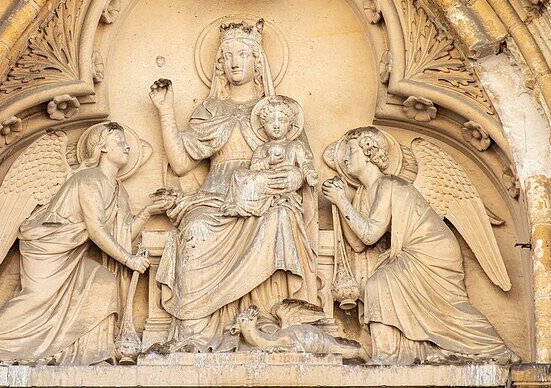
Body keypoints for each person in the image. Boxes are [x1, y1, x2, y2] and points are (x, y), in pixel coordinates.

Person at [149, 20, 318, 352]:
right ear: (218, 65)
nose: (235, 62)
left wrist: (294, 179)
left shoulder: (276, 110)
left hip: (268, 194)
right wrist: (165, 111)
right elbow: (182, 162)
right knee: (195, 229)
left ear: (258, 60)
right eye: (227, 56)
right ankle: (195, 329)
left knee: (279, 218)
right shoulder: (210, 110)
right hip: (215, 194)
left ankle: (267, 319)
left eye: (242, 54)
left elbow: (303, 162)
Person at [0, 123, 168, 365]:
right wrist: (129, 260)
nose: (127, 146)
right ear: (102, 147)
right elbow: (96, 230)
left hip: (73, 254)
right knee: (36, 297)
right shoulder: (88, 179)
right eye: (119, 141)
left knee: (102, 283)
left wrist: (147, 213)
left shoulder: (119, 191)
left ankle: (89, 354)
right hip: (48, 247)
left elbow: (122, 235)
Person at [321, 127, 517, 365]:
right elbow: (359, 244)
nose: (344, 158)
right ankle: (392, 354)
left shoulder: (388, 184)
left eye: (351, 150)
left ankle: (493, 348)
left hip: (431, 249)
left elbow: (370, 234)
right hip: (411, 253)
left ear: (369, 152)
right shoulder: (363, 193)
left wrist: (342, 202)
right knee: (379, 285)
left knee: (445, 308)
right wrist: (341, 205)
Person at [223, 96, 318, 217]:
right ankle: (242, 205)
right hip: (267, 180)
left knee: (294, 173)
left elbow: (305, 163)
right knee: (239, 174)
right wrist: (268, 160)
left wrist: (309, 174)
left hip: (285, 178)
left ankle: (272, 194)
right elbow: (254, 167)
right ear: (263, 125)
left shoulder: (295, 146)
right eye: (270, 121)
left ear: (290, 125)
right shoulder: (262, 149)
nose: (276, 125)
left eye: (282, 121)